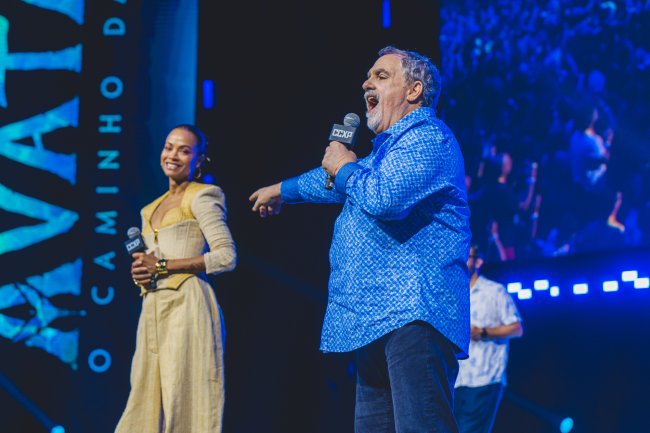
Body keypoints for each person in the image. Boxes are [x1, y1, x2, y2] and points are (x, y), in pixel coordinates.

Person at [249, 46, 471, 432]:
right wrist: (281, 190)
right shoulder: (381, 156)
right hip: (375, 317)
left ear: (414, 91)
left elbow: (386, 198)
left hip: (414, 312)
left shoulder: (429, 137)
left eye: (381, 76)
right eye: (368, 77)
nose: (366, 83)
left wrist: (346, 166)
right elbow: (332, 181)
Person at [115, 124, 237, 433]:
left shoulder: (204, 196)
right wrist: (142, 274)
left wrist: (164, 265)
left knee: (183, 402)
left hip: (187, 306)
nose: (173, 155)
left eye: (184, 150)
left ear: (199, 161)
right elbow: (152, 266)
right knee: (142, 404)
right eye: (169, 147)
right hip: (153, 310)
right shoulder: (149, 209)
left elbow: (225, 257)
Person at [454, 244, 523, 433]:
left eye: (466, 256)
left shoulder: (495, 291)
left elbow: (517, 327)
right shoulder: (454, 293)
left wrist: (484, 332)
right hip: (458, 378)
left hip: (485, 377)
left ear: (478, 261)